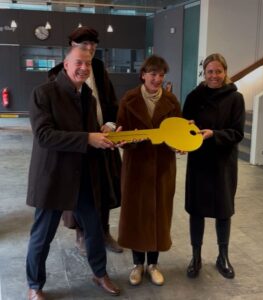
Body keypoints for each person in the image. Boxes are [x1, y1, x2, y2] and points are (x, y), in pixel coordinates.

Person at [26, 46, 120, 300]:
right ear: (65, 65)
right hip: (53, 178)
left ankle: (99, 273)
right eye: (79, 62)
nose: (84, 68)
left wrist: (105, 137)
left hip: (83, 178)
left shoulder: (87, 94)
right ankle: (35, 285)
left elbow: (90, 133)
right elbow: (45, 136)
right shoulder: (43, 94)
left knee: (94, 229)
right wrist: (89, 138)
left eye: (88, 64)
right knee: (42, 235)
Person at [48, 26, 123, 254]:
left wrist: (110, 124)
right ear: (72, 48)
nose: (89, 50)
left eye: (92, 46)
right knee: (80, 192)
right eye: (83, 45)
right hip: (79, 143)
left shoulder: (98, 67)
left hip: (104, 136)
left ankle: (104, 231)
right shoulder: (57, 74)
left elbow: (110, 100)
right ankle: (82, 233)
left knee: (106, 186)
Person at [116, 55, 182, 287]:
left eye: (161, 75)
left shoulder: (172, 101)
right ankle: (137, 264)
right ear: (143, 74)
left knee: (159, 214)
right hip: (136, 165)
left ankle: (153, 264)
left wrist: (182, 143)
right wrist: (131, 139)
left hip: (163, 166)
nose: (157, 79)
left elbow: (178, 132)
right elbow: (120, 131)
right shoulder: (129, 99)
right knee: (136, 214)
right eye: (153, 74)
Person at [182, 53, 245, 280]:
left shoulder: (236, 98)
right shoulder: (193, 97)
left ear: (225, 72)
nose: (214, 76)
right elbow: (184, 127)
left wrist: (214, 134)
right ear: (204, 73)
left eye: (218, 71)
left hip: (223, 163)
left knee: (223, 210)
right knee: (196, 209)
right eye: (210, 71)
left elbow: (237, 133)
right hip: (199, 161)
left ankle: (223, 256)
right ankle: (196, 256)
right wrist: (186, 130)